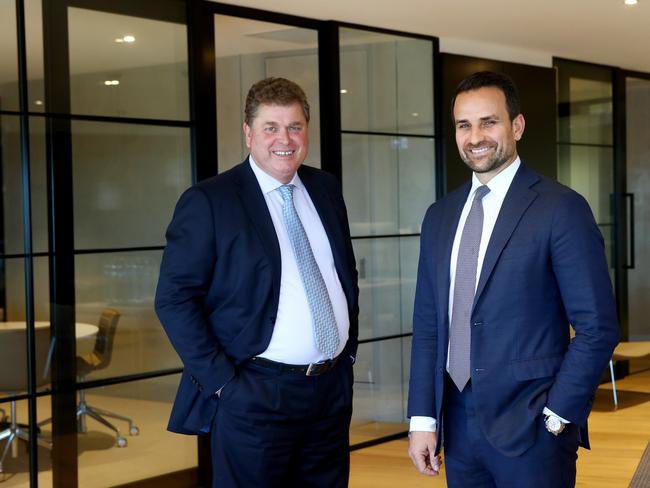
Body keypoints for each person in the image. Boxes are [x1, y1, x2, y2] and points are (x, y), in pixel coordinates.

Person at [407, 71, 619, 487]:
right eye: (463, 125)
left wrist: (558, 416)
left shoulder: (561, 208)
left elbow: (598, 326)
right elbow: (429, 327)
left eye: (489, 121)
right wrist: (422, 418)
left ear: (516, 126)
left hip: (534, 428)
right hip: (459, 426)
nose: (475, 136)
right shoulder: (440, 216)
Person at [155, 77, 359, 488]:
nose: (284, 139)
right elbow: (175, 299)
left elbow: (343, 274)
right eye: (271, 127)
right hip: (255, 394)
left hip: (330, 390)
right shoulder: (211, 201)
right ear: (249, 133)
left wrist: (347, 355)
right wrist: (224, 385)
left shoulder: (324, 187)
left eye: (295, 127)